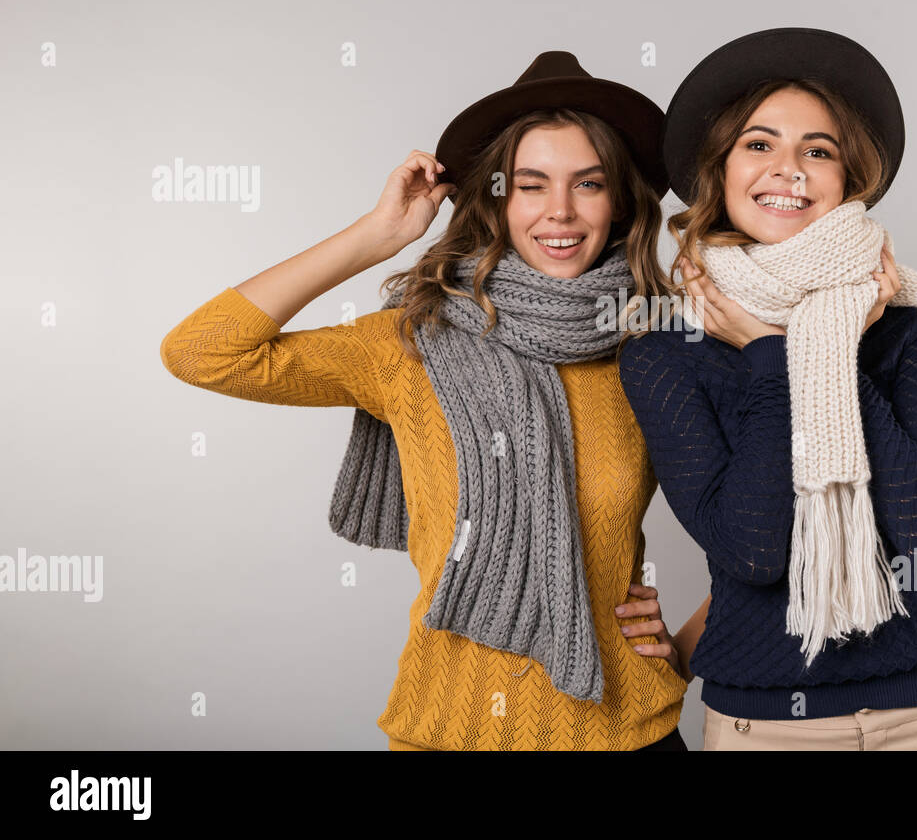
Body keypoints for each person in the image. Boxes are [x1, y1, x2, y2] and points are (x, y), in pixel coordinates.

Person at [160, 51, 690, 750]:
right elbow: (201, 351)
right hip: (449, 730)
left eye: (587, 184)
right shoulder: (412, 343)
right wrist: (375, 237)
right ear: (496, 199)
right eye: (531, 185)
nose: (559, 211)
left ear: (619, 201)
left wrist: (687, 647)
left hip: (628, 732)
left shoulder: (655, 345)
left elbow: (776, 517)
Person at [618, 28, 917, 750]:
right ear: (720, 169)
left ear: (846, 180)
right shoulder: (663, 351)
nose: (789, 170)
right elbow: (752, 552)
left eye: (818, 150)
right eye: (759, 144)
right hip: (765, 726)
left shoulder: (914, 324)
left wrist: (834, 349)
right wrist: (776, 354)